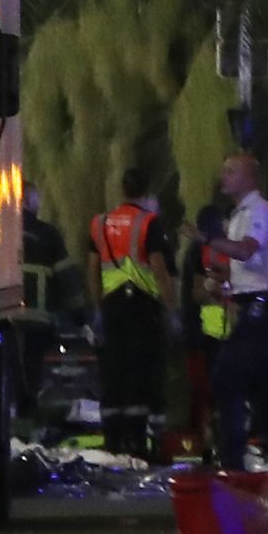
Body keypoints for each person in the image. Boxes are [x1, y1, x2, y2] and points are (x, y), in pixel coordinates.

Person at [182, 152, 268, 470]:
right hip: (251, 304)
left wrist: (206, 239)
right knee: (264, 388)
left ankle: (233, 463)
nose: (223, 176)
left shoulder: (260, 211)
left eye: (231, 171)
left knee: (226, 378)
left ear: (249, 177)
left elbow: (245, 250)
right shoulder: (238, 215)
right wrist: (225, 282)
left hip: (264, 306)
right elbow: (248, 267)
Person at [87, 168, 177, 460]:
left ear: (122, 190)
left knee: (113, 371)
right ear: (146, 192)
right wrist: (171, 309)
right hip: (142, 307)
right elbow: (159, 269)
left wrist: (98, 308)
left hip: (111, 306)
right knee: (140, 372)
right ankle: (137, 443)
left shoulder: (99, 224)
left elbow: (92, 271)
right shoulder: (149, 223)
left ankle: (113, 440)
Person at [15, 181, 84, 414]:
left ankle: (12, 414)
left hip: (2, 319)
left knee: (7, 369)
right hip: (37, 319)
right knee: (31, 372)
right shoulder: (47, 234)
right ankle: (27, 412)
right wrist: (81, 314)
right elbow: (67, 279)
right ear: (28, 200)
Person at [176, 204, 231, 455]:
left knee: (207, 393)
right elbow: (199, 293)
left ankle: (204, 444)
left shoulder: (200, 251)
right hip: (201, 335)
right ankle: (200, 445)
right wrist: (220, 293)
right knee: (204, 393)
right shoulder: (200, 251)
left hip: (206, 334)